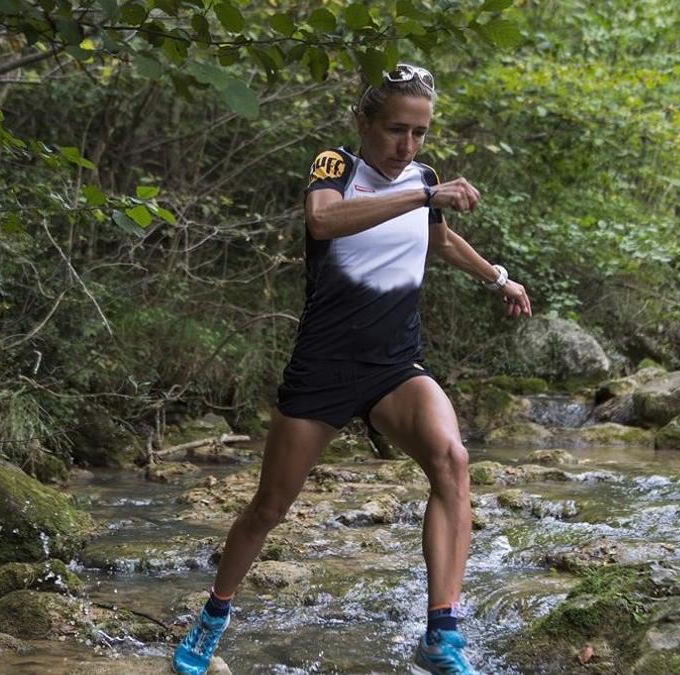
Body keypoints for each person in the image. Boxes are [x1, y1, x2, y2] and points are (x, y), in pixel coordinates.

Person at [172, 63, 532, 675]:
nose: (409, 147)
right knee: (269, 508)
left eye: (420, 134)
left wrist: (497, 276)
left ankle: (441, 634)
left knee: (452, 461)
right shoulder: (334, 167)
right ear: (363, 121)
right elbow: (322, 221)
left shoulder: (423, 179)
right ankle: (213, 617)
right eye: (397, 130)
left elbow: (437, 239)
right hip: (325, 367)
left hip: (394, 365)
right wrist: (423, 193)